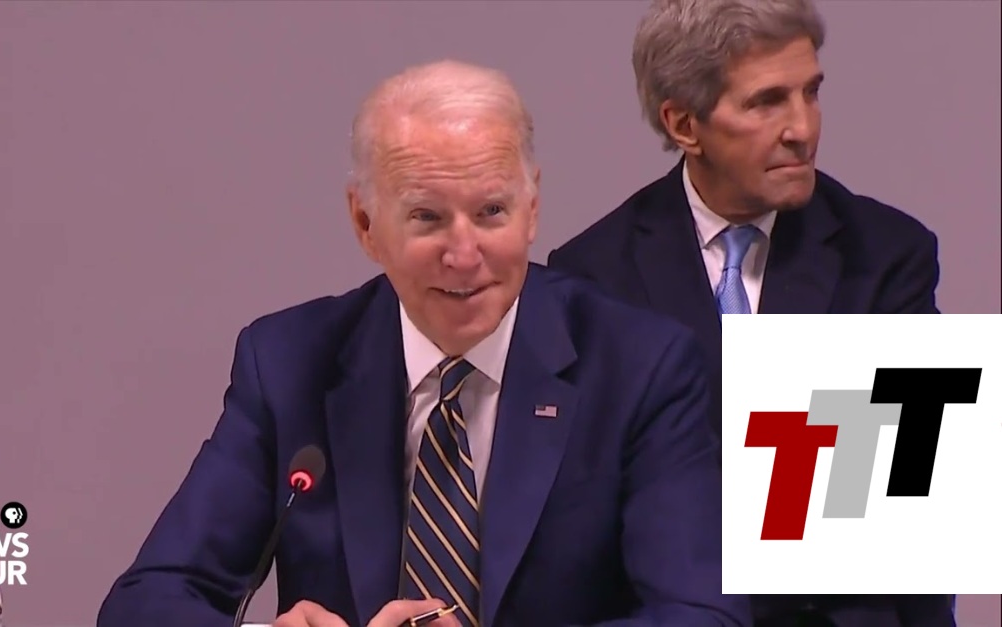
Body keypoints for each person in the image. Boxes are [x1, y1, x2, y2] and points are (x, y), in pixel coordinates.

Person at [98, 59, 749, 627]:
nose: (463, 255)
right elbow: (145, 602)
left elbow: (702, 614)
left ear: (531, 211)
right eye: (427, 217)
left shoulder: (638, 365)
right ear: (365, 223)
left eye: (491, 212)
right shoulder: (289, 362)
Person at [545, 1, 950, 626]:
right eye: (767, 102)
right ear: (684, 124)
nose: (803, 128)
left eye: (811, 93)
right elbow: (598, 520)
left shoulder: (886, 256)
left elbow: (903, 512)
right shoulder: (594, 274)